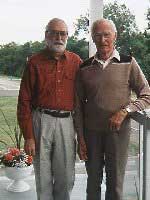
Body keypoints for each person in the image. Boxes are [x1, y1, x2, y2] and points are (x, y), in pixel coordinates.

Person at [74, 18, 150, 200]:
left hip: (118, 134)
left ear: (115, 36)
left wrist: (125, 111)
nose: (102, 40)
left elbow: (146, 94)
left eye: (106, 34)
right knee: (92, 183)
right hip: (91, 134)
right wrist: (81, 138)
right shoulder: (84, 67)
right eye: (97, 35)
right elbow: (77, 106)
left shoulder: (128, 63)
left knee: (115, 184)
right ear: (92, 38)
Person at [17, 18, 82, 200]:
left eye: (63, 33)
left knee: (66, 174)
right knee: (43, 174)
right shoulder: (35, 62)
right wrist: (29, 136)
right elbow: (24, 101)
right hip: (41, 121)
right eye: (54, 32)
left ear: (67, 36)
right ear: (47, 35)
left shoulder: (76, 61)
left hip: (67, 123)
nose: (59, 37)